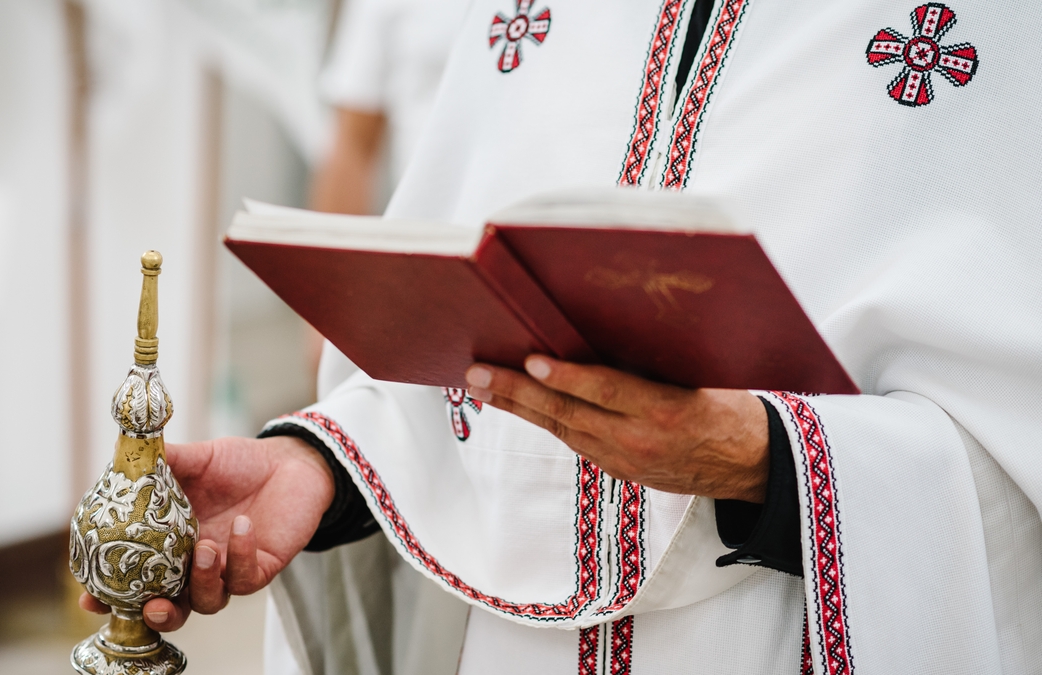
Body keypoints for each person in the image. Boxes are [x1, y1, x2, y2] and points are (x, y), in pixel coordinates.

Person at [84, 0, 1042, 672]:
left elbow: (1011, 428)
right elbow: (461, 345)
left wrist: (766, 460)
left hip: (780, 635)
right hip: (516, 648)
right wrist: (323, 466)